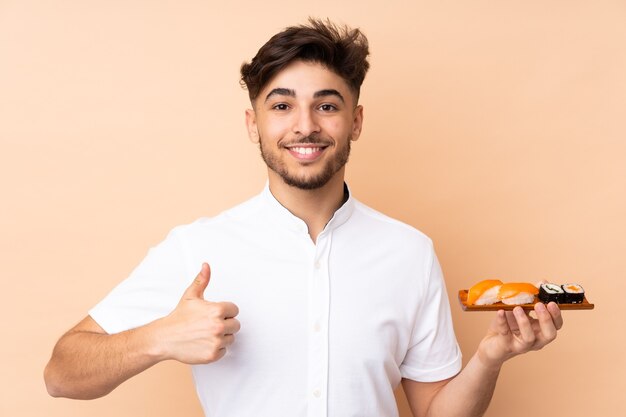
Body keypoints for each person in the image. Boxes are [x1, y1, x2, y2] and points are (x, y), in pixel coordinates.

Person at [44, 18, 563, 417]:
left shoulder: (409, 252)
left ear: (355, 121)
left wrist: (490, 356)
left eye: (327, 106)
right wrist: (158, 338)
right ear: (254, 124)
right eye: (282, 106)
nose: (305, 127)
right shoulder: (197, 248)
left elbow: (435, 410)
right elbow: (62, 374)